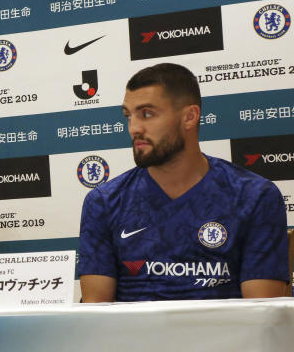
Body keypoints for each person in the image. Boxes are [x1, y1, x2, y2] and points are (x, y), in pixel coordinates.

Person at [78, 63, 289, 302]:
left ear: (189, 117)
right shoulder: (104, 202)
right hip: (134, 339)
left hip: (225, 338)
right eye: (129, 115)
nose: (134, 128)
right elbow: (96, 315)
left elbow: (261, 317)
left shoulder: (255, 196)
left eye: (147, 114)